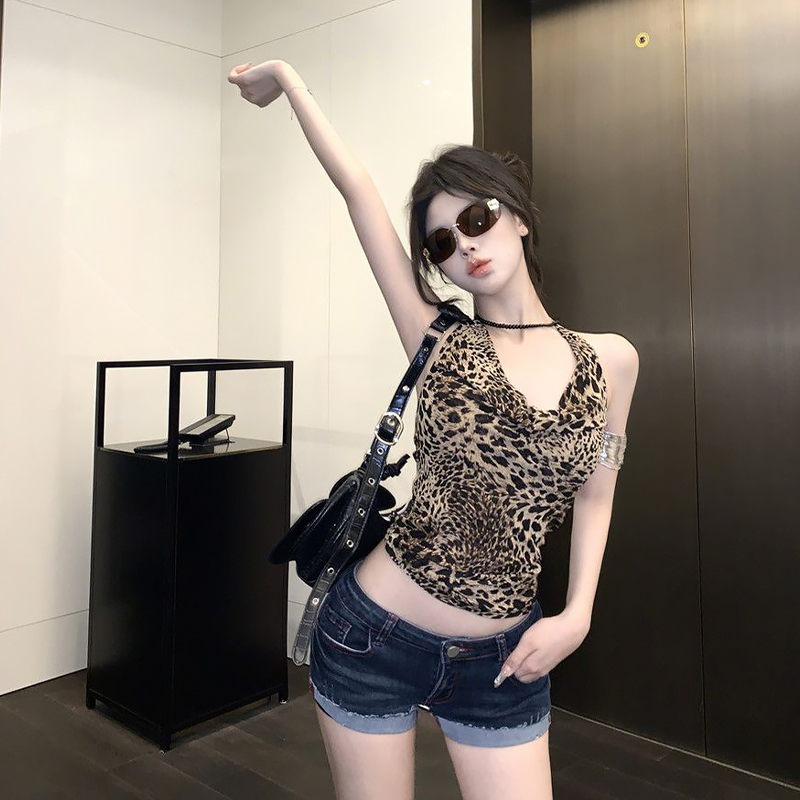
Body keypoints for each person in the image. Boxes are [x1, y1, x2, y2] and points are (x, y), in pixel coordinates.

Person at [229, 59, 639, 800]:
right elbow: (358, 190)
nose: (465, 246)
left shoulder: (611, 360)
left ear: (518, 216)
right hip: (373, 635)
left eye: (477, 219)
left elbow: (597, 493)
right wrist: (290, 81)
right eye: (443, 243)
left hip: (505, 657)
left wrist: (578, 613)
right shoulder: (438, 338)